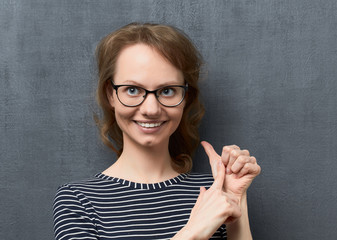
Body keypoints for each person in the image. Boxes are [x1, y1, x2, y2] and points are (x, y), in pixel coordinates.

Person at [53, 22, 261, 240]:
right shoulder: (77, 200)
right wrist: (194, 232)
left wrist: (237, 202)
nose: (151, 110)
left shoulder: (215, 194)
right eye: (132, 90)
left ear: (185, 97)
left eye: (168, 90)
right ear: (110, 94)